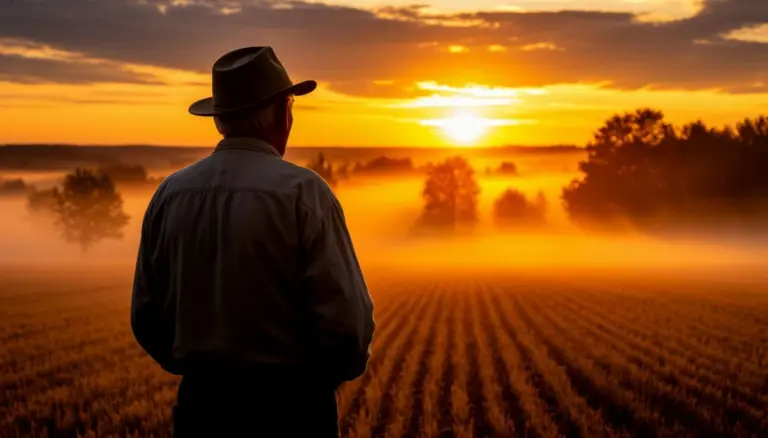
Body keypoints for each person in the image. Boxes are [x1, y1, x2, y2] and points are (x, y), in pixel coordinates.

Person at [130, 46, 375, 437]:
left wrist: (200, 371)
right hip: (291, 409)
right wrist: (315, 382)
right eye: (290, 105)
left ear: (220, 119)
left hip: (201, 408)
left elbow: (147, 315)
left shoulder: (170, 193)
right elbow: (347, 324)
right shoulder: (304, 193)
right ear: (279, 113)